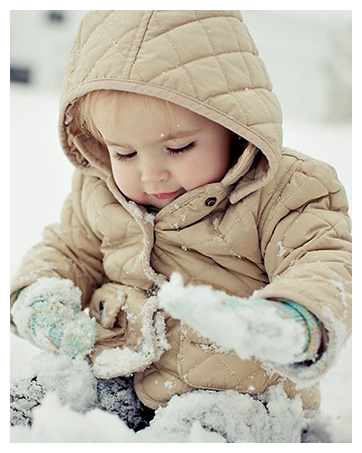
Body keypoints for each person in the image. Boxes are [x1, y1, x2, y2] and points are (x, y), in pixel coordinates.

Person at [10, 10, 351, 440]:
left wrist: (290, 322)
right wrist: (39, 293)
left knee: (196, 437)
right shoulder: (97, 190)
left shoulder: (287, 191)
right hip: (113, 369)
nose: (151, 175)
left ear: (234, 125)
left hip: (236, 394)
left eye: (179, 147)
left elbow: (319, 262)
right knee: (37, 407)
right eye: (125, 154)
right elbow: (67, 251)